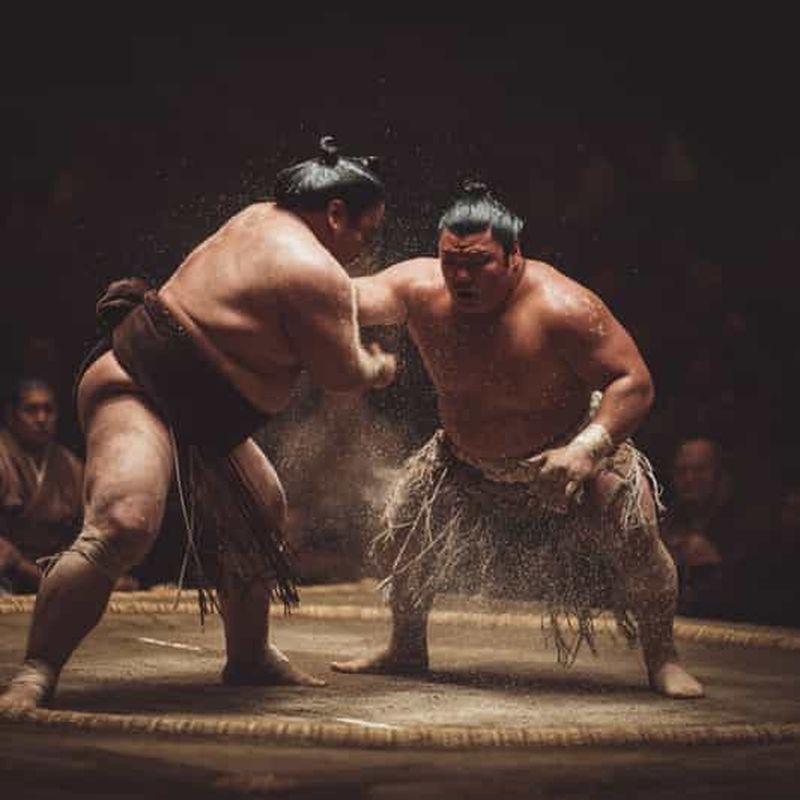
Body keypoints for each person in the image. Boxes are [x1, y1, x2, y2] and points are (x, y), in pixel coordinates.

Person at [0, 137, 396, 709]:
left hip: (204, 414)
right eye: (366, 231)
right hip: (139, 387)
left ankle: (249, 655)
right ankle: (35, 671)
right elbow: (342, 374)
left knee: (260, 511)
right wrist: (377, 366)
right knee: (124, 521)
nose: (366, 246)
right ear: (335, 213)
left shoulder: (258, 218)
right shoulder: (314, 270)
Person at [332, 183, 703, 698]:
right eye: (449, 261)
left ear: (514, 257)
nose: (461, 276)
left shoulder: (562, 307)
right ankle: (407, 645)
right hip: (463, 460)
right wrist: (288, 257)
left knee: (636, 525)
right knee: (404, 528)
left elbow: (633, 381)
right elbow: (340, 300)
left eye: (479, 262)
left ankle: (663, 658)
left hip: (568, 452)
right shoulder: (418, 289)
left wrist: (586, 450)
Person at [0, 378, 83, 594]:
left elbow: (81, 533)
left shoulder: (71, 466)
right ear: (11, 415)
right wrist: (16, 562)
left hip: (54, 572)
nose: (41, 418)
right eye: (31, 410)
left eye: (48, 410)